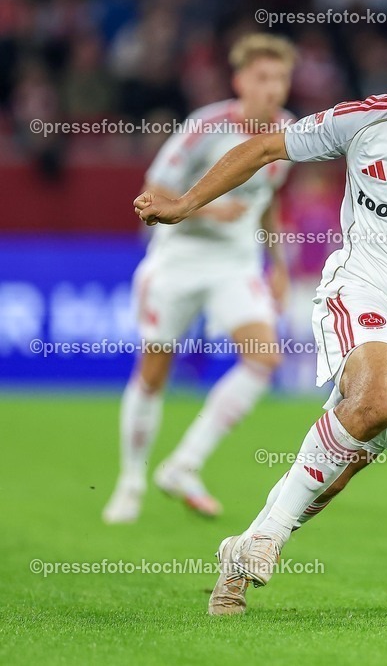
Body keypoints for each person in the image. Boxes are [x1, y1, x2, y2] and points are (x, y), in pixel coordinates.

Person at [134, 22, 387, 615]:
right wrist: (184, 203)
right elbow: (268, 146)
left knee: (343, 461)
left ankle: (246, 546)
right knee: (377, 395)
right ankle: (267, 540)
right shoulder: (364, 122)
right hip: (359, 289)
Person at [103, 34, 297, 524]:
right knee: (153, 371)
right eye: (263, 78)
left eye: (280, 78)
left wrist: (278, 264)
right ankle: (130, 480)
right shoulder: (204, 127)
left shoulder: (290, 130)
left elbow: (268, 199)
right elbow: (154, 190)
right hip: (179, 259)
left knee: (264, 358)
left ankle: (184, 465)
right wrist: (209, 210)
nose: (273, 88)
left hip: (236, 263)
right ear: (240, 80)